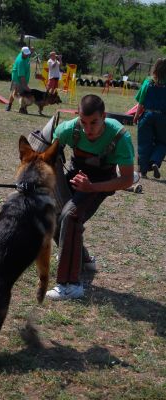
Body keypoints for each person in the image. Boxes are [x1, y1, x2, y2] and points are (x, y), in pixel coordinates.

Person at [46, 94, 135, 301]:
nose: (88, 129)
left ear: (104, 116)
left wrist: (91, 186)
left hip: (102, 181)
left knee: (71, 216)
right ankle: (84, 260)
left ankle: (70, 285)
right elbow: (48, 156)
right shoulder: (68, 129)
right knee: (53, 215)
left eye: (94, 122)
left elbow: (128, 179)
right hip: (76, 174)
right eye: (83, 123)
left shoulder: (120, 136)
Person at [133, 58, 166, 179]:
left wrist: (136, 116)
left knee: (144, 143)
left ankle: (143, 171)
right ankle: (154, 162)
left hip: (147, 115)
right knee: (163, 142)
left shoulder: (148, 82)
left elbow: (141, 103)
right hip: (163, 117)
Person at [5, 46, 31, 112]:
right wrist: (26, 86)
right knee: (15, 92)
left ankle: (22, 108)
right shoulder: (21, 61)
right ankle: (9, 105)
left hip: (23, 78)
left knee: (23, 94)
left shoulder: (25, 56)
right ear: (22, 53)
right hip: (17, 79)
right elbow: (21, 76)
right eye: (26, 54)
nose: (27, 55)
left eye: (28, 54)